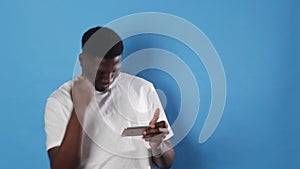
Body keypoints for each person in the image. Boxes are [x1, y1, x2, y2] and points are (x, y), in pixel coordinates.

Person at [44, 26, 175, 169]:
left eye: (114, 71)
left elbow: (166, 163)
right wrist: (79, 110)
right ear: (82, 60)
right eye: (100, 72)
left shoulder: (143, 89)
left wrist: (157, 145)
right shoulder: (60, 101)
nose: (108, 79)